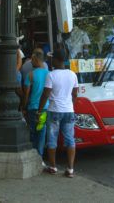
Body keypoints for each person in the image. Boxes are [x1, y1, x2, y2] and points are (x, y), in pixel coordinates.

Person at [38, 49, 79, 178]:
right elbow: (75, 94)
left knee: (52, 140)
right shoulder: (72, 74)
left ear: (56, 60)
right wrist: (70, 104)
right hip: (68, 111)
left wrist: (39, 110)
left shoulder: (51, 75)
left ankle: (53, 167)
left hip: (54, 111)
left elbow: (45, 94)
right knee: (70, 140)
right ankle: (70, 169)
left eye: (52, 58)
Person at [22, 50, 49, 158]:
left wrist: (23, 107)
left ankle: (34, 155)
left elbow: (26, 94)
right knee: (42, 132)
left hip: (33, 108)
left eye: (32, 60)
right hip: (45, 108)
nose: (31, 62)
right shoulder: (49, 74)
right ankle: (40, 155)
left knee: (33, 132)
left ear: (36, 60)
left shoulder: (31, 75)